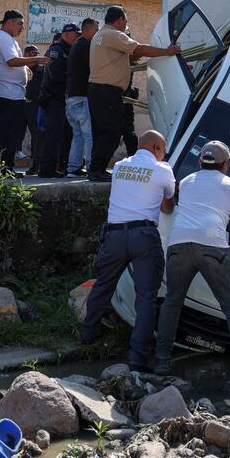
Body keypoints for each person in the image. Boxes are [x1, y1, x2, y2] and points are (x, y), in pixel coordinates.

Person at [153, 140, 230, 386]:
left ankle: (161, 362)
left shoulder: (186, 181)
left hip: (178, 245)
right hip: (213, 246)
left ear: (199, 161)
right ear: (225, 165)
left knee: (172, 303)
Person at [81, 130, 175, 371]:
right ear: (156, 148)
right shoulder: (163, 170)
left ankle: (87, 335)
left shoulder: (120, 166)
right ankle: (138, 356)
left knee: (103, 285)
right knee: (146, 298)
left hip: (114, 235)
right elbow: (167, 206)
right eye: (163, 150)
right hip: (143, 236)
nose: (164, 155)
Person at [87, 6, 180, 182]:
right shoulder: (114, 34)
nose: (125, 26)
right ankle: (97, 169)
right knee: (112, 131)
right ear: (120, 20)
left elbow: (112, 59)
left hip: (97, 91)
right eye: (125, 22)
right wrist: (167, 52)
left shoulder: (100, 35)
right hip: (107, 92)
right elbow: (139, 49)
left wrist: (128, 59)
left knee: (101, 132)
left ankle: (95, 169)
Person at [0, 9, 51, 177]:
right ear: (9, 22)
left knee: (4, 131)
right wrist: (36, 59)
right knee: (10, 133)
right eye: (20, 24)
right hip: (8, 93)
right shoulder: (4, 38)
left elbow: (12, 61)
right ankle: (5, 169)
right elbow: (11, 61)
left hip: (10, 93)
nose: (22, 28)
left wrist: (25, 68)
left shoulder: (5, 38)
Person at [38, 23, 80, 178]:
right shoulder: (56, 50)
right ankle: (47, 169)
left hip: (66, 100)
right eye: (76, 35)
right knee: (53, 135)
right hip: (54, 99)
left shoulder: (71, 50)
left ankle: (65, 166)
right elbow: (54, 74)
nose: (78, 38)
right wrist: (75, 78)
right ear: (66, 34)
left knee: (68, 135)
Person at [65, 18, 98, 176]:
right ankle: (92, 167)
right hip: (81, 98)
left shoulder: (76, 45)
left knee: (77, 135)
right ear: (88, 30)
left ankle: (73, 168)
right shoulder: (86, 45)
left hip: (71, 98)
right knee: (88, 134)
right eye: (96, 30)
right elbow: (95, 66)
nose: (97, 34)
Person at [24, 41, 49, 175]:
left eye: (36, 54)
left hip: (35, 105)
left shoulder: (41, 70)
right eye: (31, 54)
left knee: (37, 135)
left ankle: (36, 165)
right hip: (21, 103)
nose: (34, 57)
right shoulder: (20, 68)